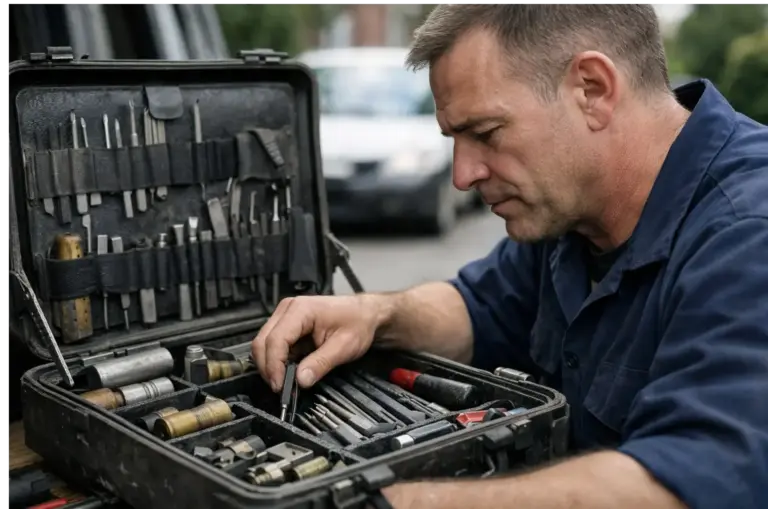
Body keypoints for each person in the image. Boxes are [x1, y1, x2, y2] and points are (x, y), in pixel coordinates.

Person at [253, 4, 767, 509]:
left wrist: (396, 502)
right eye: (455, 139)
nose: (462, 175)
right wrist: (377, 315)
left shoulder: (748, 231)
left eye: (485, 133)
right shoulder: (570, 211)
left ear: (592, 89)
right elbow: (479, 308)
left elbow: (694, 479)